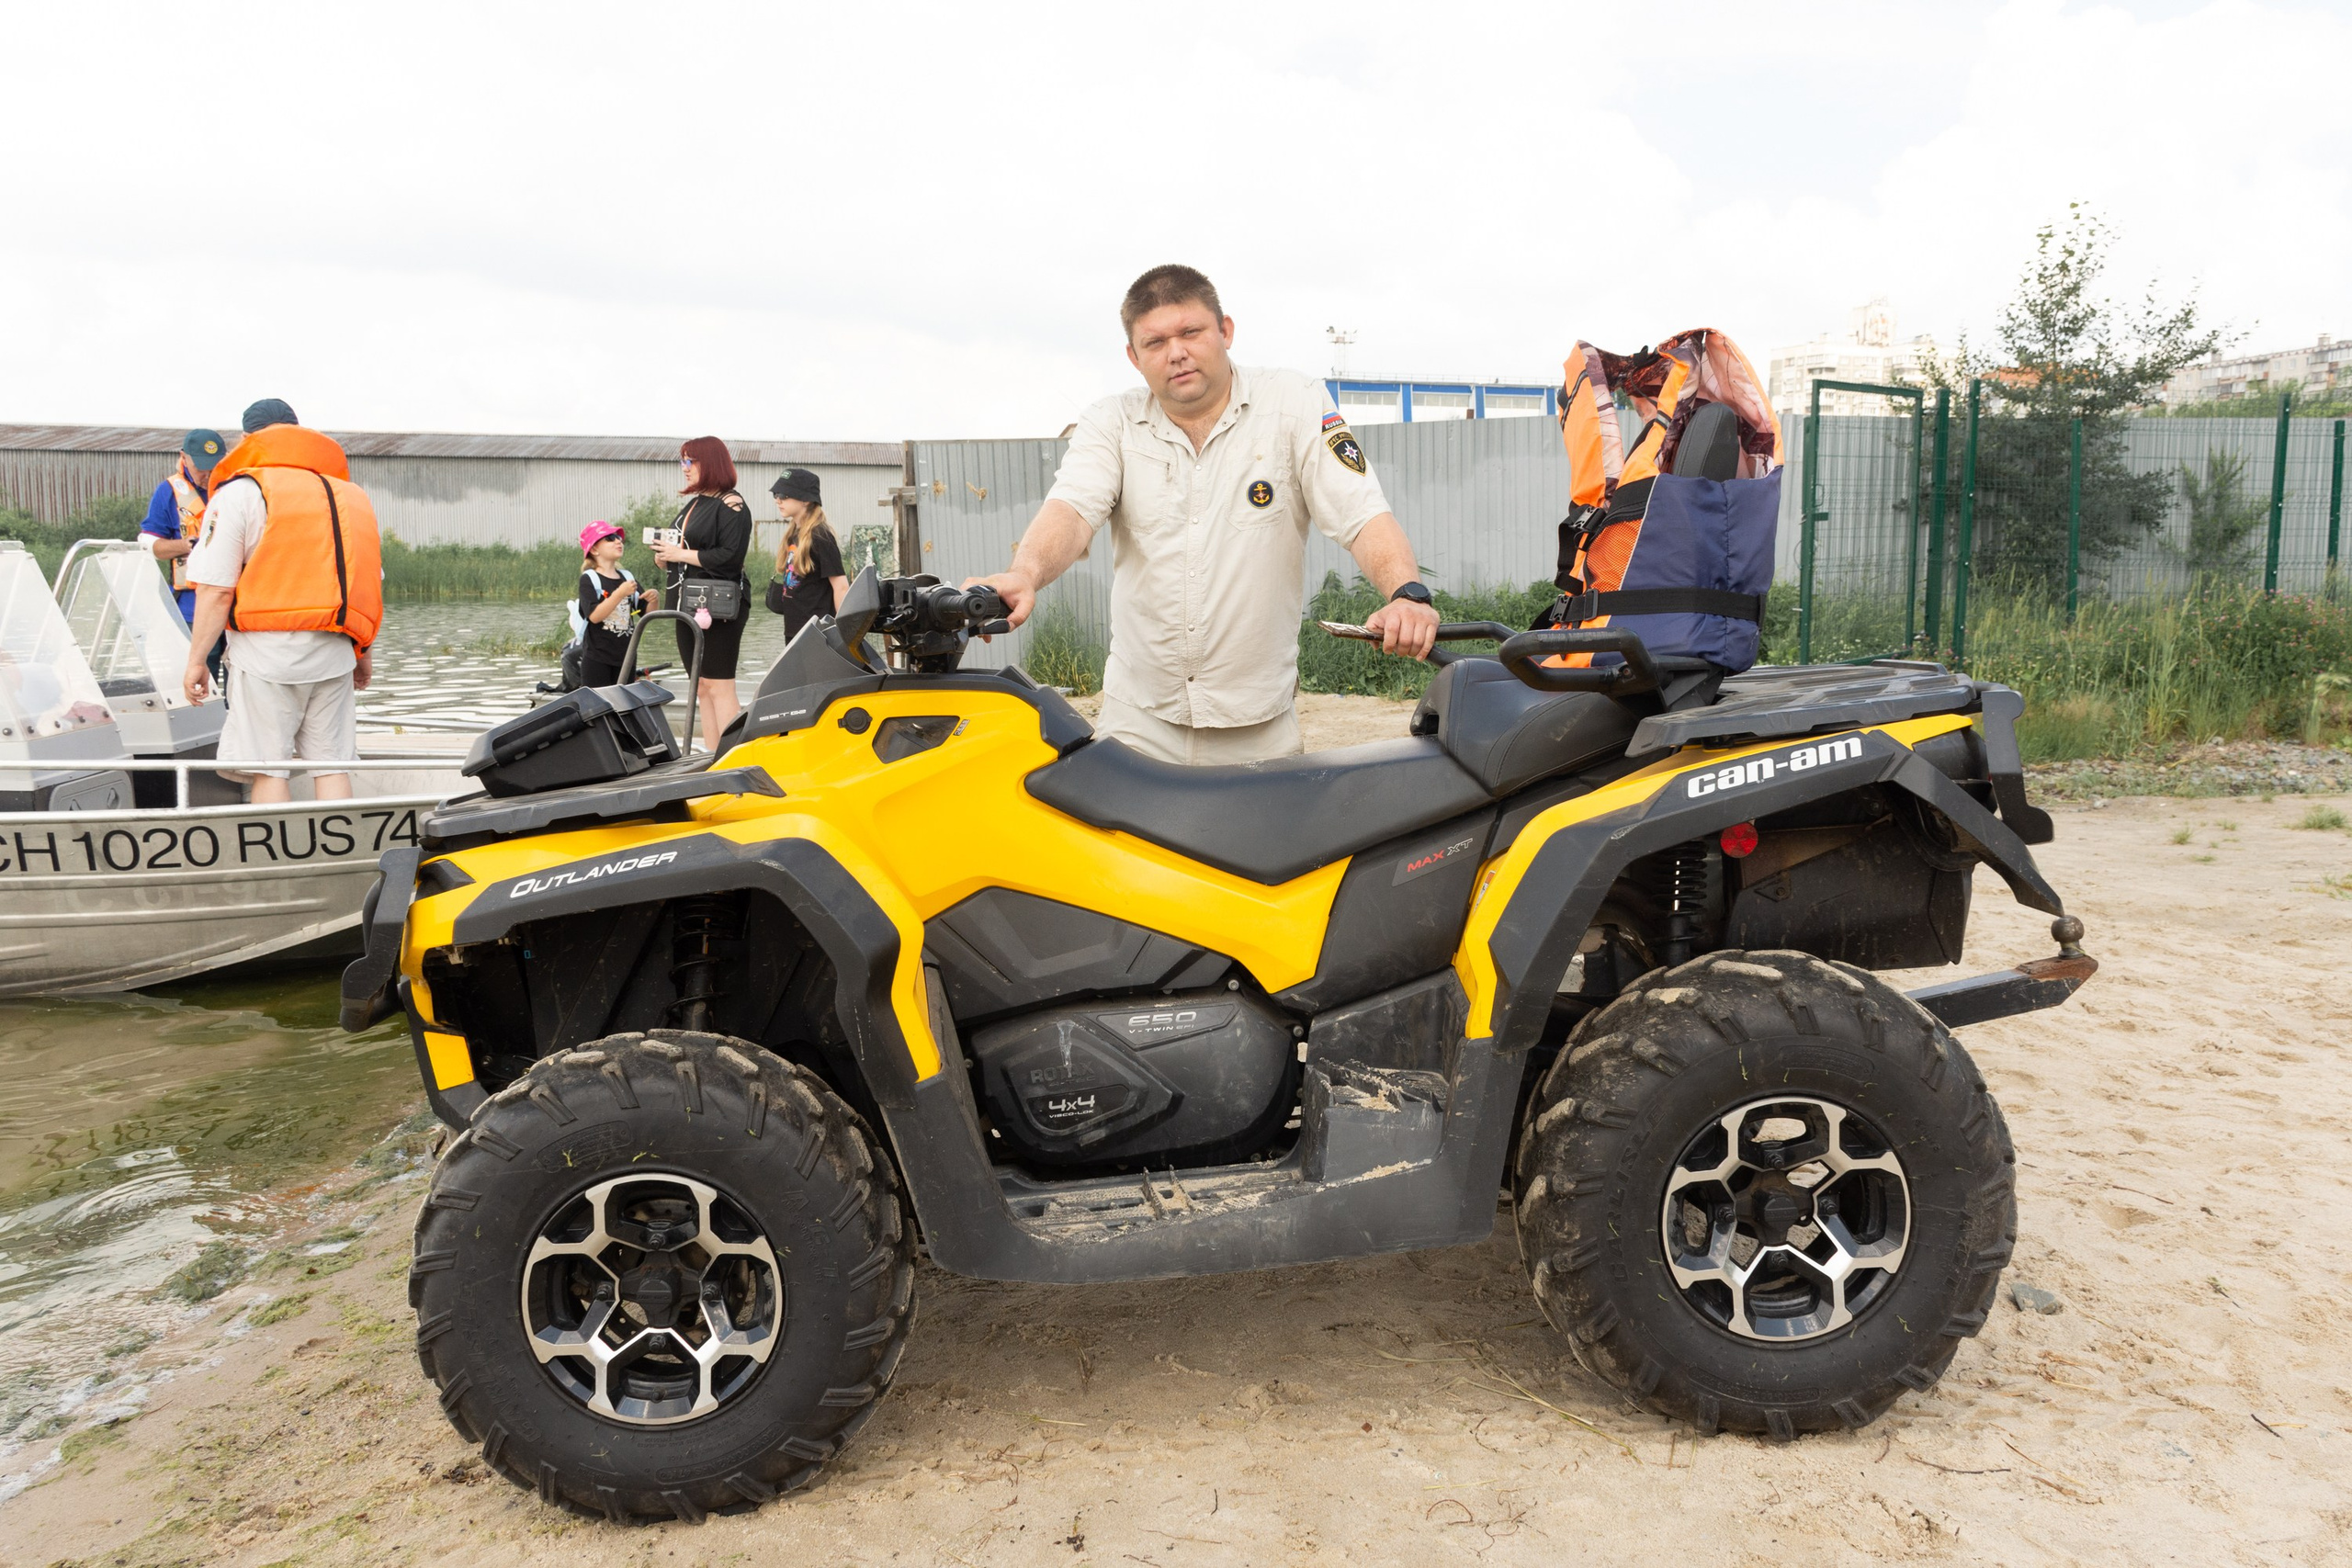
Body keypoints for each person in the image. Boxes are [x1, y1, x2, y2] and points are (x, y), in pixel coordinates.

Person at [967, 265, 1438, 764]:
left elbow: (1362, 513)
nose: (1176, 352)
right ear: (1134, 356)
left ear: (1225, 330)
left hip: (1259, 727)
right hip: (1138, 720)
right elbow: (1072, 508)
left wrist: (1406, 595)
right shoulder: (1112, 423)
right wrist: (1025, 574)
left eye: (1191, 331)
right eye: (1155, 342)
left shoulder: (1295, 404)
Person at [181, 398, 383, 804]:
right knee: (331, 765)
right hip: (335, 653)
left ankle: (273, 861)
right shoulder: (348, 495)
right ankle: (340, 857)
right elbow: (365, 586)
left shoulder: (240, 493)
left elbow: (217, 589)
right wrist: (363, 655)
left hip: (266, 658)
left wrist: (197, 660)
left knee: (268, 768)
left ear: (247, 439)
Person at [650, 435, 751, 750]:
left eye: (690, 461)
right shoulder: (696, 502)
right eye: (683, 461)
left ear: (710, 463)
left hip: (717, 606)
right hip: (686, 602)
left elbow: (730, 557)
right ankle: (712, 756)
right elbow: (687, 552)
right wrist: (666, 557)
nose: (684, 468)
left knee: (720, 685)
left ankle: (734, 758)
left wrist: (679, 555)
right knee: (702, 686)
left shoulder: (731, 503)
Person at [140, 428, 231, 682]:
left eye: (215, 465)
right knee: (200, 681)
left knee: (241, 688)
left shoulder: (235, 487)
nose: (208, 474)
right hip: (193, 609)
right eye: (201, 466)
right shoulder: (168, 492)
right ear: (184, 457)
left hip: (237, 608)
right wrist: (185, 546)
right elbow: (150, 544)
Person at [763, 468, 848, 639]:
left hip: (816, 632)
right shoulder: (794, 534)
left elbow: (841, 586)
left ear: (806, 500)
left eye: (784, 495)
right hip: (794, 629)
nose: (778, 501)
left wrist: (843, 633)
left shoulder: (821, 536)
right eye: (776, 495)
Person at [572, 520, 659, 687]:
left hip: (626, 657)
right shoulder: (589, 579)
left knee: (624, 706)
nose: (618, 541)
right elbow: (595, 617)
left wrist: (654, 599)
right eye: (610, 538)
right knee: (600, 708)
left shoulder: (627, 577)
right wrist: (619, 593)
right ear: (595, 549)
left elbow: (647, 615)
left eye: (619, 538)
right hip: (597, 659)